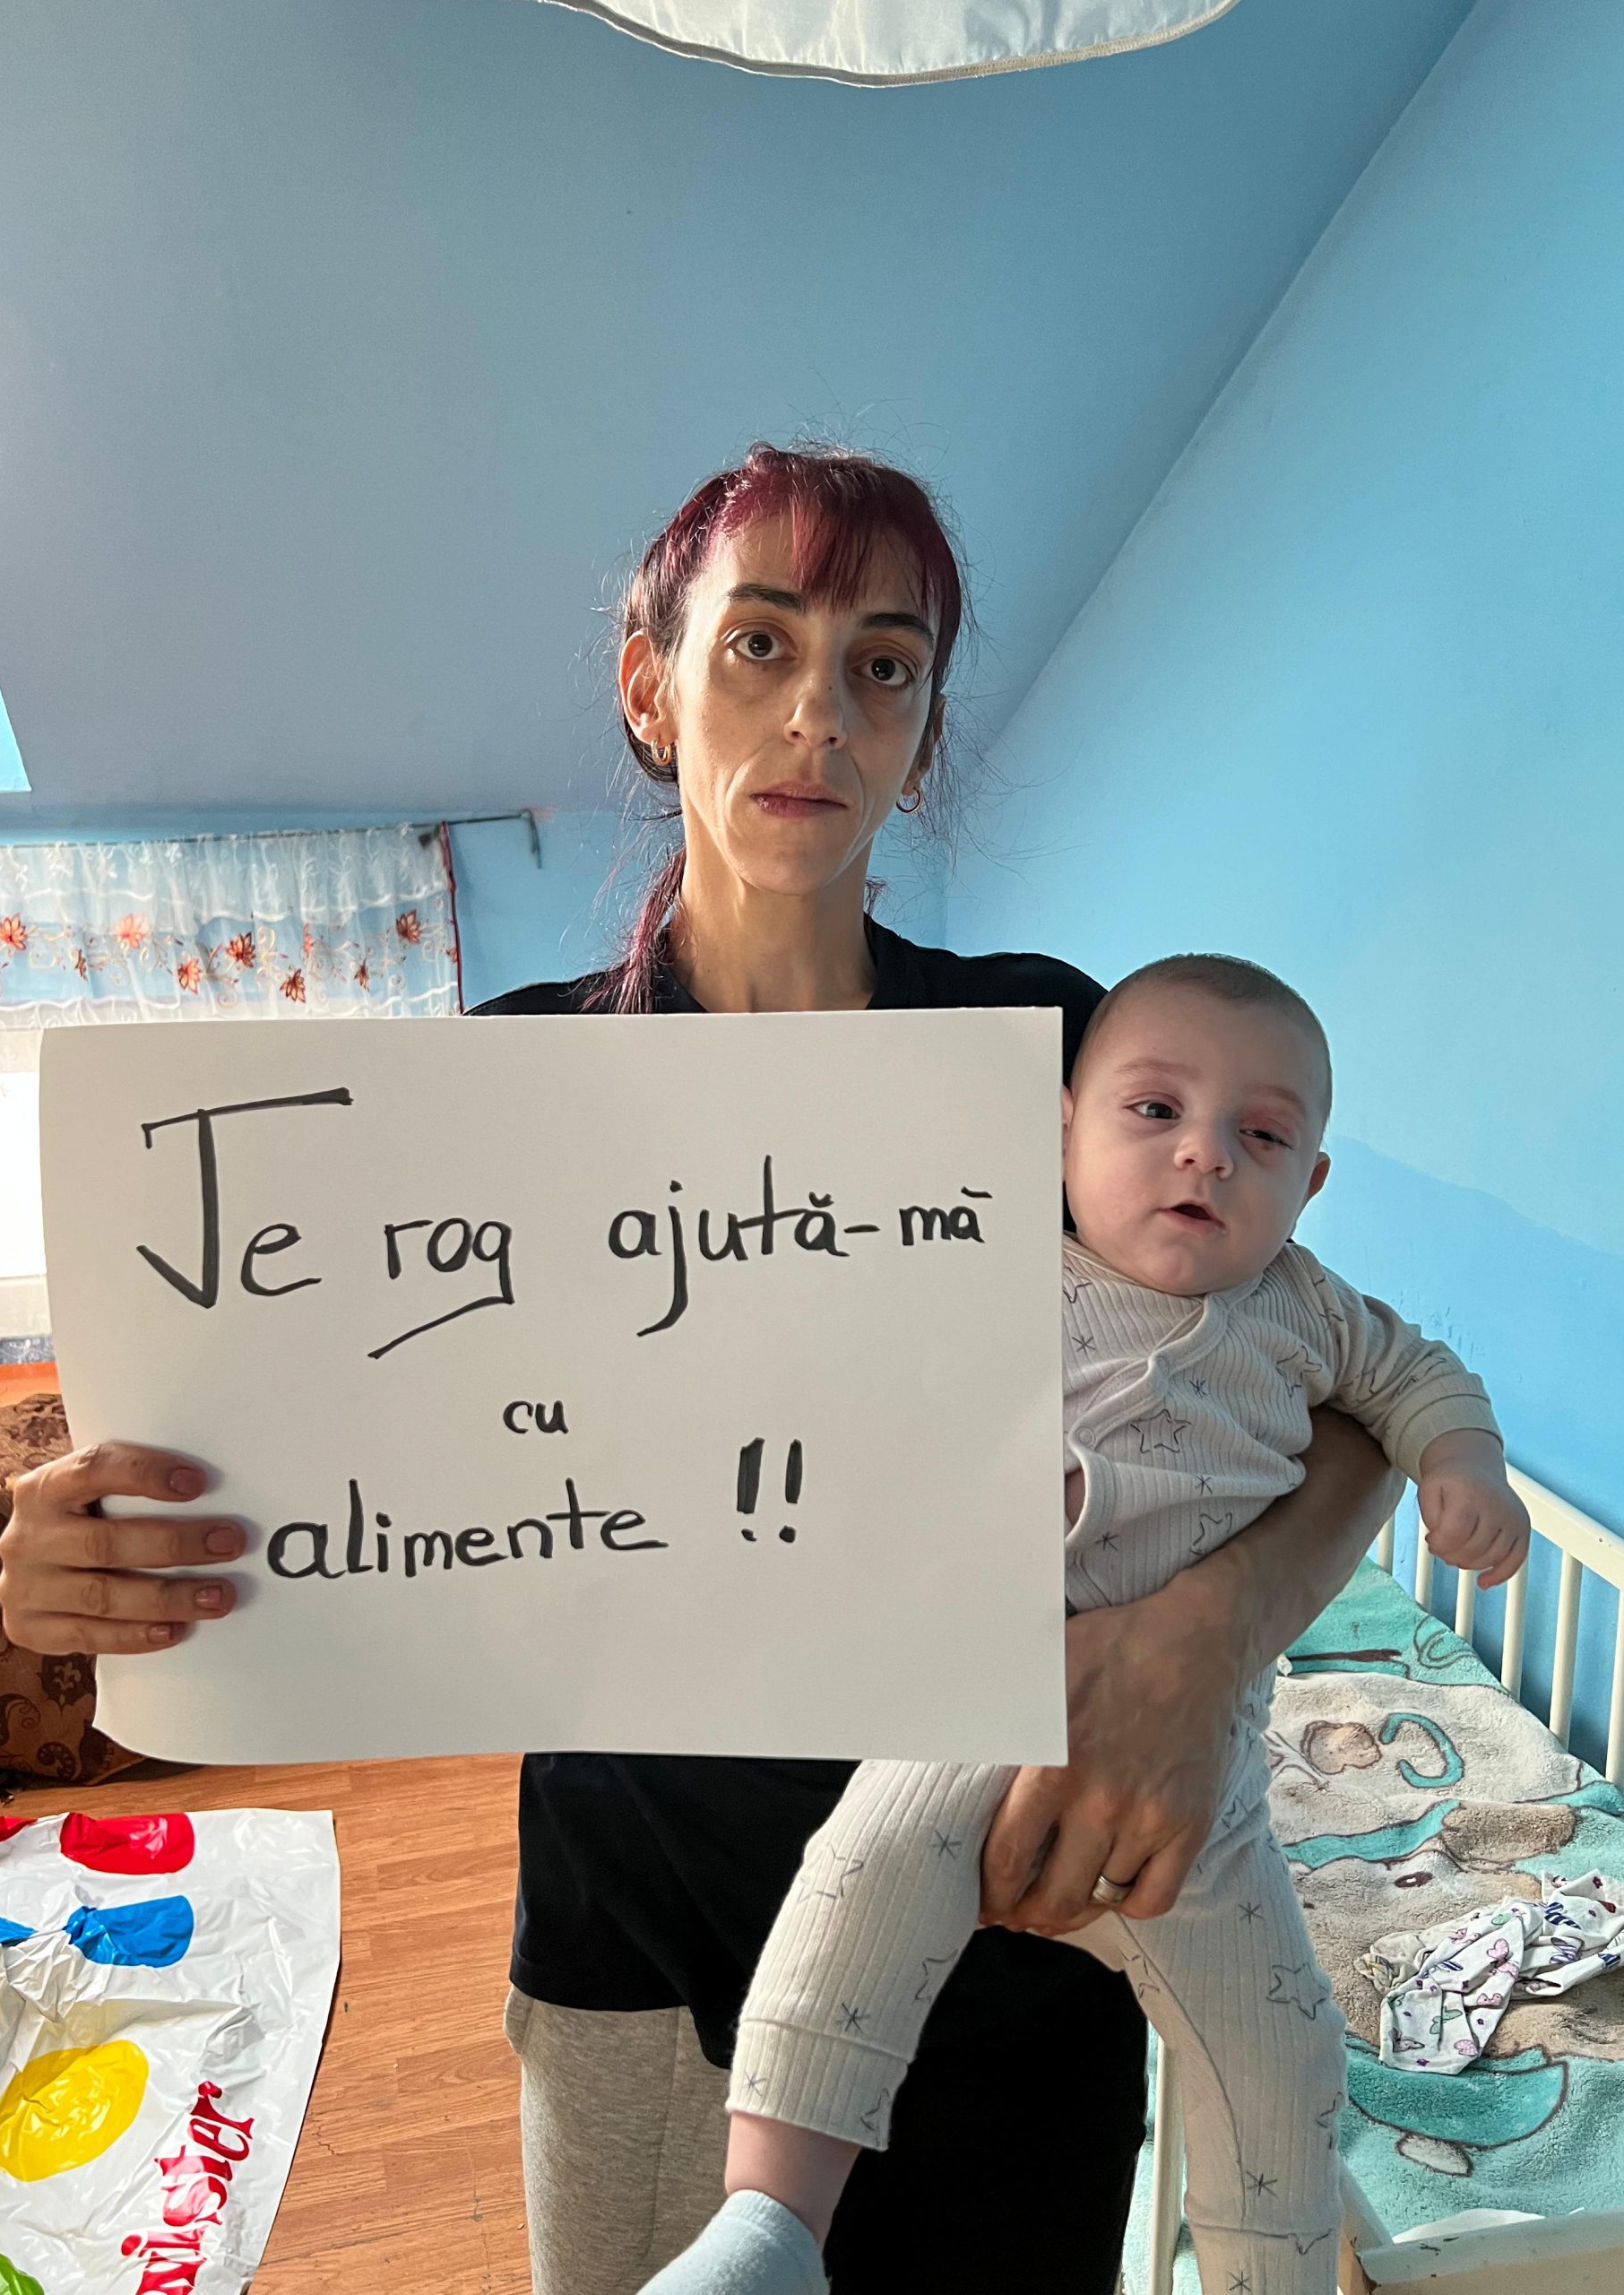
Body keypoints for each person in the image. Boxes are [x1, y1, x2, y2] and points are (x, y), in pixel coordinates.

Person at [0, 443, 1402, 2295]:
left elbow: (1354, 1404)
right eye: (760, 643)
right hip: (641, 1945)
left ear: (923, 734)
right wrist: (92, 1562)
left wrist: (1197, 1646)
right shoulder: (492, 1086)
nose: (820, 710)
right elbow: (331, 1471)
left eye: (884, 664)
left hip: (1016, 1921)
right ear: (652, 689)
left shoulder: (1064, 1051)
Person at [648, 954, 1530, 2295]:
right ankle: (769, 2227)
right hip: (982, 1695)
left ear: (1311, 1184)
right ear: (1061, 1131)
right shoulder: (995, 1269)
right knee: (856, 1888)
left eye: (1262, 1136)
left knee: (1282, 2052)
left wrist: (1465, 1464)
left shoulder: (1309, 1310)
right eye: (1154, 1111)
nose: (1206, 1154)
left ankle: (1270, 2276)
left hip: (1201, 1781)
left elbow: (1422, 1381)